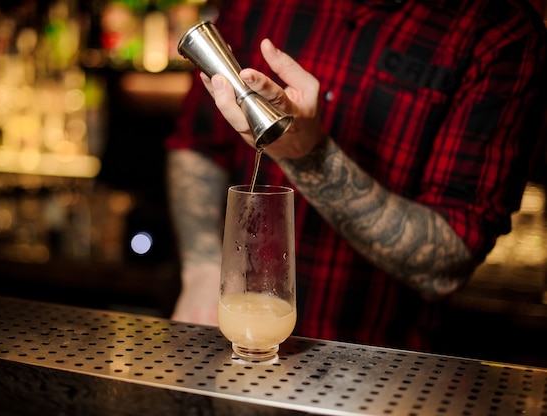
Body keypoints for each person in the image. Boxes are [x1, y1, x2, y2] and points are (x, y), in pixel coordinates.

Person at [164, 0, 547, 352]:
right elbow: (196, 143)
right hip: (238, 342)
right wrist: (201, 268)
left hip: (379, 363)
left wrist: (308, 154)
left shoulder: (498, 28)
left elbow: (447, 261)